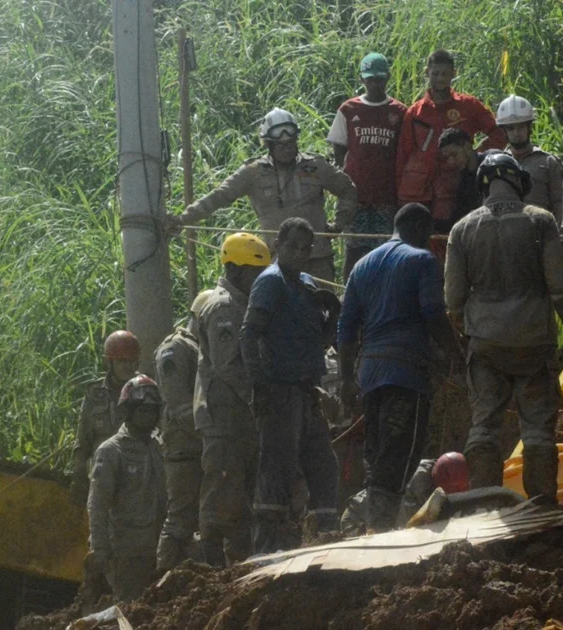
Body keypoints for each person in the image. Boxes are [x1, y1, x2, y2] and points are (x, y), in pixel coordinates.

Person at [445, 153, 563, 505]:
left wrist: (472, 335)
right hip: (534, 342)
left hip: (486, 346)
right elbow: (561, 288)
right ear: (518, 181)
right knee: (537, 428)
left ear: (483, 185)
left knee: (483, 428)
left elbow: (453, 300)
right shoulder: (540, 221)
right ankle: (540, 505)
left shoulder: (462, 229)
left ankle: (483, 506)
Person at [336, 203, 462, 531]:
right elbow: (433, 313)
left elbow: (346, 327)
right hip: (405, 374)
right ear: (421, 227)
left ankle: (374, 527)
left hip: (371, 376)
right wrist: (456, 355)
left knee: (378, 457)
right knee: (402, 455)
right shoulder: (421, 260)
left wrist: (348, 378)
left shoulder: (361, 266)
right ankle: (381, 532)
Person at [241, 218, 341, 552]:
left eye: (305, 248)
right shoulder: (270, 282)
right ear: (277, 246)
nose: (299, 253)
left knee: (324, 468)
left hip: (307, 390)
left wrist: (333, 317)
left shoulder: (307, 284)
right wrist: (259, 386)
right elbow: (249, 333)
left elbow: (320, 341)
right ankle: (265, 553)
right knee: (276, 473)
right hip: (280, 389)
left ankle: (326, 541)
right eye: (292, 246)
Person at [170, 108, 356, 282]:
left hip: (317, 260)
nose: (287, 148)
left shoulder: (316, 166)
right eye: (280, 145)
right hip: (277, 263)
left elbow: (347, 189)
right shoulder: (252, 172)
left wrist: (338, 224)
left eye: (291, 143)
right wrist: (182, 219)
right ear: (269, 145)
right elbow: (219, 196)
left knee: (322, 313)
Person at [194, 232, 270, 566]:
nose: (260, 280)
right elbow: (228, 364)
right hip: (223, 416)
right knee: (221, 489)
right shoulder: (224, 306)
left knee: (238, 492)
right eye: (257, 273)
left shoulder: (240, 303)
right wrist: (259, 398)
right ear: (237, 270)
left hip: (237, 415)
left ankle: (236, 560)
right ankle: (210, 565)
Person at [395, 49, 506, 231]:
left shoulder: (468, 106)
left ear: (454, 74)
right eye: (436, 73)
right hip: (417, 191)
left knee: (449, 236)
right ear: (427, 72)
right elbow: (403, 155)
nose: (440, 78)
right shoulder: (414, 113)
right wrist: (399, 195)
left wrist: (475, 156)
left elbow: (498, 133)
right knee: (417, 239)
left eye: (445, 74)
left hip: (453, 188)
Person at [327, 52, 409, 278]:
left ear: (387, 78)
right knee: (354, 250)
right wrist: (345, 185)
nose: (375, 84)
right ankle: (348, 298)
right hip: (356, 197)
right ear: (362, 79)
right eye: (370, 79)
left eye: (379, 79)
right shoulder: (349, 109)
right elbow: (339, 150)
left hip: (386, 196)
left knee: (385, 250)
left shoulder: (399, 112)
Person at [86, 375, 166, 603]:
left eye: (152, 411)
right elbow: (97, 505)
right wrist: (101, 553)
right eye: (142, 410)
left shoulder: (160, 447)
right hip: (126, 554)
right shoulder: (111, 451)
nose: (148, 416)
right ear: (129, 410)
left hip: (158, 551)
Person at [153, 319, 202, 572]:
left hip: (199, 448)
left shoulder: (195, 347)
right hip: (184, 449)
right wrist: (206, 434)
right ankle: (162, 579)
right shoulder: (175, 348)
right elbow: (179, 404)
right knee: (179, 521)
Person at [72, 330, 141, 506]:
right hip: (102, 476)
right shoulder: (95, 394)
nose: (127, 366)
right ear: (109, 362)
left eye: (131, 361)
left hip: (137, 477)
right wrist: (79, 474)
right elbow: (83, 439)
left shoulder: (146, 390)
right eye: (121, 361)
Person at [339, 452, 470, 535]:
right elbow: (410, 527)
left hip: (372, 521)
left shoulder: (435, 473)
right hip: (354, 521)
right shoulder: (415, 485)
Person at [496, 95, 563, 221]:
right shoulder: (496, 165)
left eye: (521, 127)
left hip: (540, 231)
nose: (516, 133)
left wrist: (559, 234)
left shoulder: (548, 162)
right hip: (507, 234)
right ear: (504, 131)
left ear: (529, 127)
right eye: (511, 128)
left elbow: (559, 201)